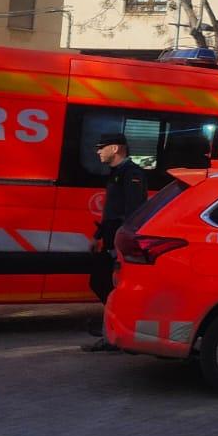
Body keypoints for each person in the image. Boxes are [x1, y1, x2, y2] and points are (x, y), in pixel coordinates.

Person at [82, 133, 148, 353]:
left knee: (108, 285)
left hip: (119, 242)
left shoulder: (132, 174)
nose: (98, 151)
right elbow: (110, 212)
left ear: (116, 149)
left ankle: (116, 334)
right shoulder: (117, 173)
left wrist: (121, 243)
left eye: (102, 147)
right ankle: (113, 330)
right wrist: (97, 236)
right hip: (110, 238)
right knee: (102, 283)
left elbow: (132, 213)